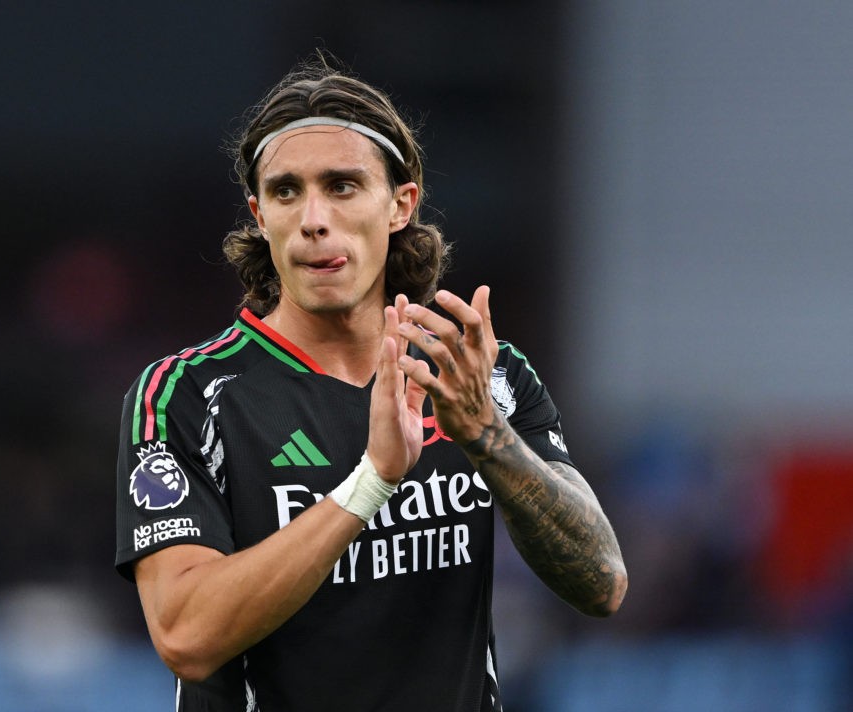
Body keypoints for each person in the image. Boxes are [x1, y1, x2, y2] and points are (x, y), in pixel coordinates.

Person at [115, 57, 627, 711]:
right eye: (286, 191)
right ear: (259, 214)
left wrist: (485, 435)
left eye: (343, 186)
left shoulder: (479, 376)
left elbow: (602, 582)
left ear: (400, 204)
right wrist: (372, 481)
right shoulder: (187, 395)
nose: (313, 218)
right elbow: (185, 634)